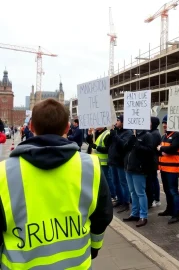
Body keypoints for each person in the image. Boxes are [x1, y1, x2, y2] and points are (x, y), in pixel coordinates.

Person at [0, 98, 113, 269]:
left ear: (31, 127)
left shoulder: (3, 173)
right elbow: (102, 216)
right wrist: (94, 248)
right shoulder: (91, 166)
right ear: (67, 128)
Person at [123, 130, 154, 227]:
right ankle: (134, 213)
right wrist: (132, 138)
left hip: (138, 169)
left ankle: (143, 216)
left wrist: (137, 144)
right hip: (129, 168)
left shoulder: (147, 135)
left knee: (140, 193)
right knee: (132, 192)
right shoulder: (133, 135)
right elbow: (125, 148)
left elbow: (149, 151)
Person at [157, 115, 179, 224]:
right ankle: (169, 209)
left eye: (166, 123)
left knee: (173, 191)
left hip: (172, 169)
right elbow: (159, 150)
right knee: (167, 190)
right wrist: (163, 150)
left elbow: (172, 148)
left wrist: (162, 149)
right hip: (163, 168)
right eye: (163, 123)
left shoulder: (177, 135)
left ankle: (176, 214)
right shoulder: (164, 136)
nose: (164, 125)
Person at [107, 115, 132, 213]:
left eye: (118, 120)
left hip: (121, 162)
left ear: (123, 122)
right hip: (113, 161)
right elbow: (108, 144)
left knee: (123, 183)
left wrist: (116, 136)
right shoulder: (116, 132)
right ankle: (120, 199)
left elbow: (124, 145)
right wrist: (111, 135)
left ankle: (126, 202)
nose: (116, 122)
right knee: (115, 182)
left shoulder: (128, 133)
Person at [89, 127, 117, 202]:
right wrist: (89, 135)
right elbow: (90, 143)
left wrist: (97, 148)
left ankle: (112, 195)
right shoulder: (96, 133)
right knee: (100, 180)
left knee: (107, 179)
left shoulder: (106, 134)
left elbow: (108, 149)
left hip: (104, 162)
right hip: (96, 161)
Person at [146, 117, 162, 208]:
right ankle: (154, 198)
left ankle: (156, 198)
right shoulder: (152, 132)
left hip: (152, 160)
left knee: (153, 180)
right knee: (152, 179)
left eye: (150, 122)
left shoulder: (155, 134)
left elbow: (151, 147)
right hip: (151, 159)